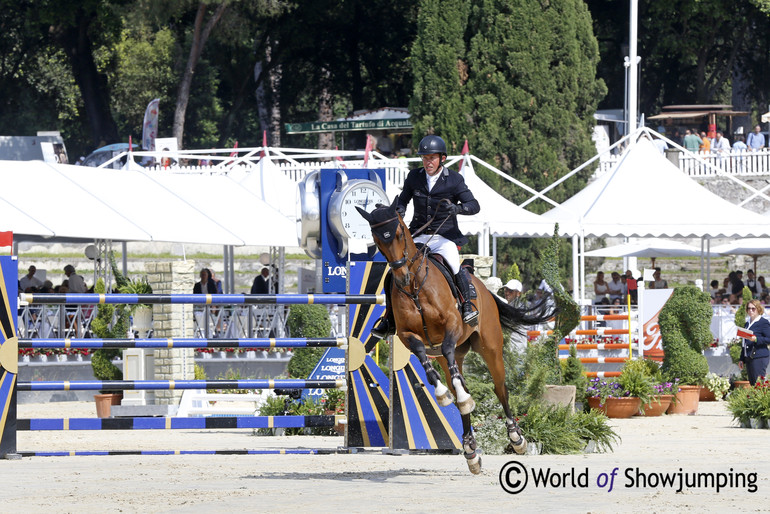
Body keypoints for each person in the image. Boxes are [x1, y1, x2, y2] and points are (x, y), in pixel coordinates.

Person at [371, 134, 480, 339]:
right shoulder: (414, 177)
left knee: (455, 267)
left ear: (442, 158)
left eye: (432, 158)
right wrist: (399, 211)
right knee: (394, 271)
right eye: (424, 158)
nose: (428, 162)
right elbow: (402, 201)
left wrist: (457, 209)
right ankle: (389, 319)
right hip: (418, 235)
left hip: (445, 236)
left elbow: (474, 206)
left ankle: (467, 307)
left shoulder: (455, 180)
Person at [738, 299, 770, 386]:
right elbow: (744, 343)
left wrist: (756, 339)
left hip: (759, 356)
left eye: (753, 308)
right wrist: (742, 359)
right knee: (753, 384)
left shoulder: (763, 322)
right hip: (749, 357)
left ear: (758, 309)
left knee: (758, 384)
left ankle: (763, 399)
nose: (750, 310)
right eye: (749, 308)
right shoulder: (747, 324)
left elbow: (769, 339)